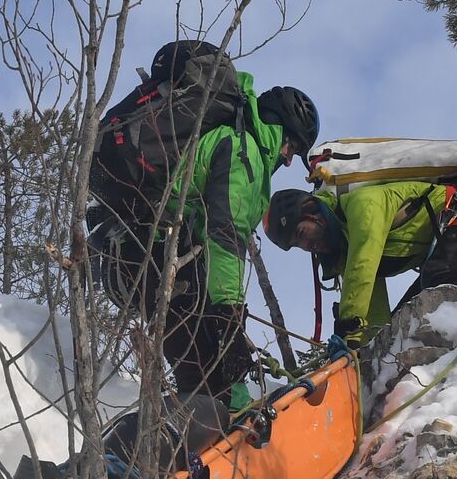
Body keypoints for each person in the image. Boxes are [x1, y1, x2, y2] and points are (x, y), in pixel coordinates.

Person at [95, 83, 319, 410]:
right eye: (292, 148)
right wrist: (229, 317)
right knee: (208, 369)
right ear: (281, 131)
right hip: (149, 254)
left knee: (202, 374)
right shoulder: (246, 153)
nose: (287, 161)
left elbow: (203, 234)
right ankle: (217, 429)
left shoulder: (228, 139)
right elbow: (226, 235)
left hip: (135, 254)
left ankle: (213, 430)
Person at [263, 183, 457, 345]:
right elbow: (373, 314)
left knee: (436, 287)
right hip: (456, 241)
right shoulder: (347, 247)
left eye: (301, 233)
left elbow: (364, 263)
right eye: (297, 245)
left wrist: (346, 325)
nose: (306, 246)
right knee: (402, 326)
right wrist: (362, 349)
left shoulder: (363, 205)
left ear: (312, 212)